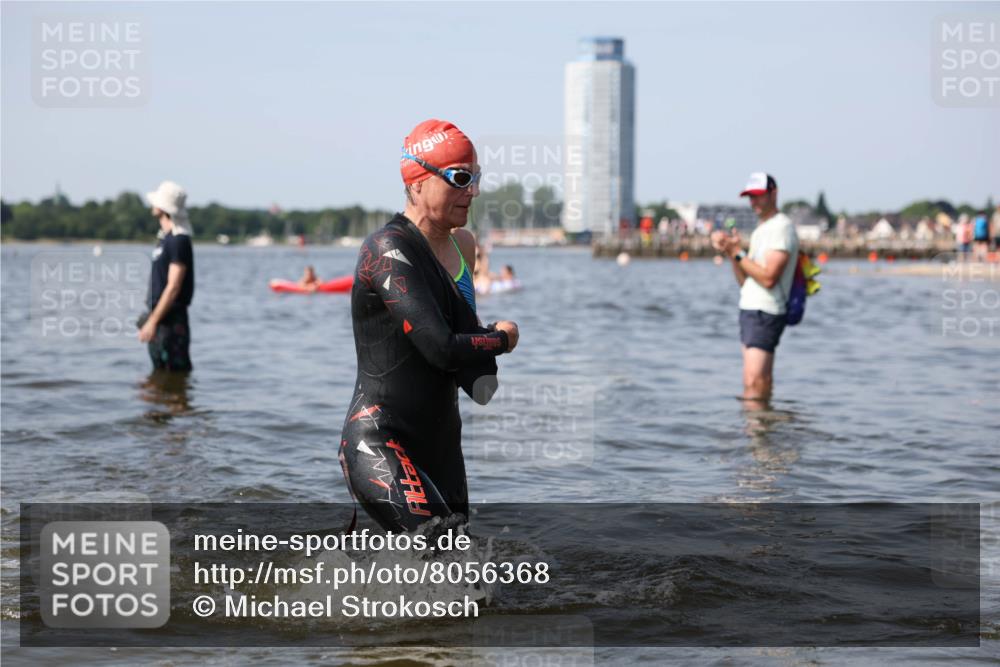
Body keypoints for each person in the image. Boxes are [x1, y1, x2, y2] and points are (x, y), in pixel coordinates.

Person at [339, 119, 519, 533]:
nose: (473, 191)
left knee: (462, 566)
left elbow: (475, 376)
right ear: (417, 182)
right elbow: (440, 347)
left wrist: (483, 356)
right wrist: (501, 338)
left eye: (476, 178)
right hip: (378, 440)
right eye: (460, 178)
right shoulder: (386, 249)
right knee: (437, 548)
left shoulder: (463, 246)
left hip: (442, 448)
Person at [711, 172, 799, 404]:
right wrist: (733, 253)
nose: (754, 202)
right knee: (756, 381)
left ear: (773, 194)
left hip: (765, 311)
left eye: (759, 195)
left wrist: (737, 252)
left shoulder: (780, 227)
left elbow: (769, 278)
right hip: (753, 310)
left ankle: (757, 426)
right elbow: (745, 281)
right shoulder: (763, 229)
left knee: (754, 382)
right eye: (750, 196)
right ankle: (762, 424)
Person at [139, 181, 194, 371]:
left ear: (163, 208)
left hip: (171, 321)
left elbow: (173, 287)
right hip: (160, 318)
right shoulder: (165, 238)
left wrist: (152, 322)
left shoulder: (179, 240)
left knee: (174, 375)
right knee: (160, 377)